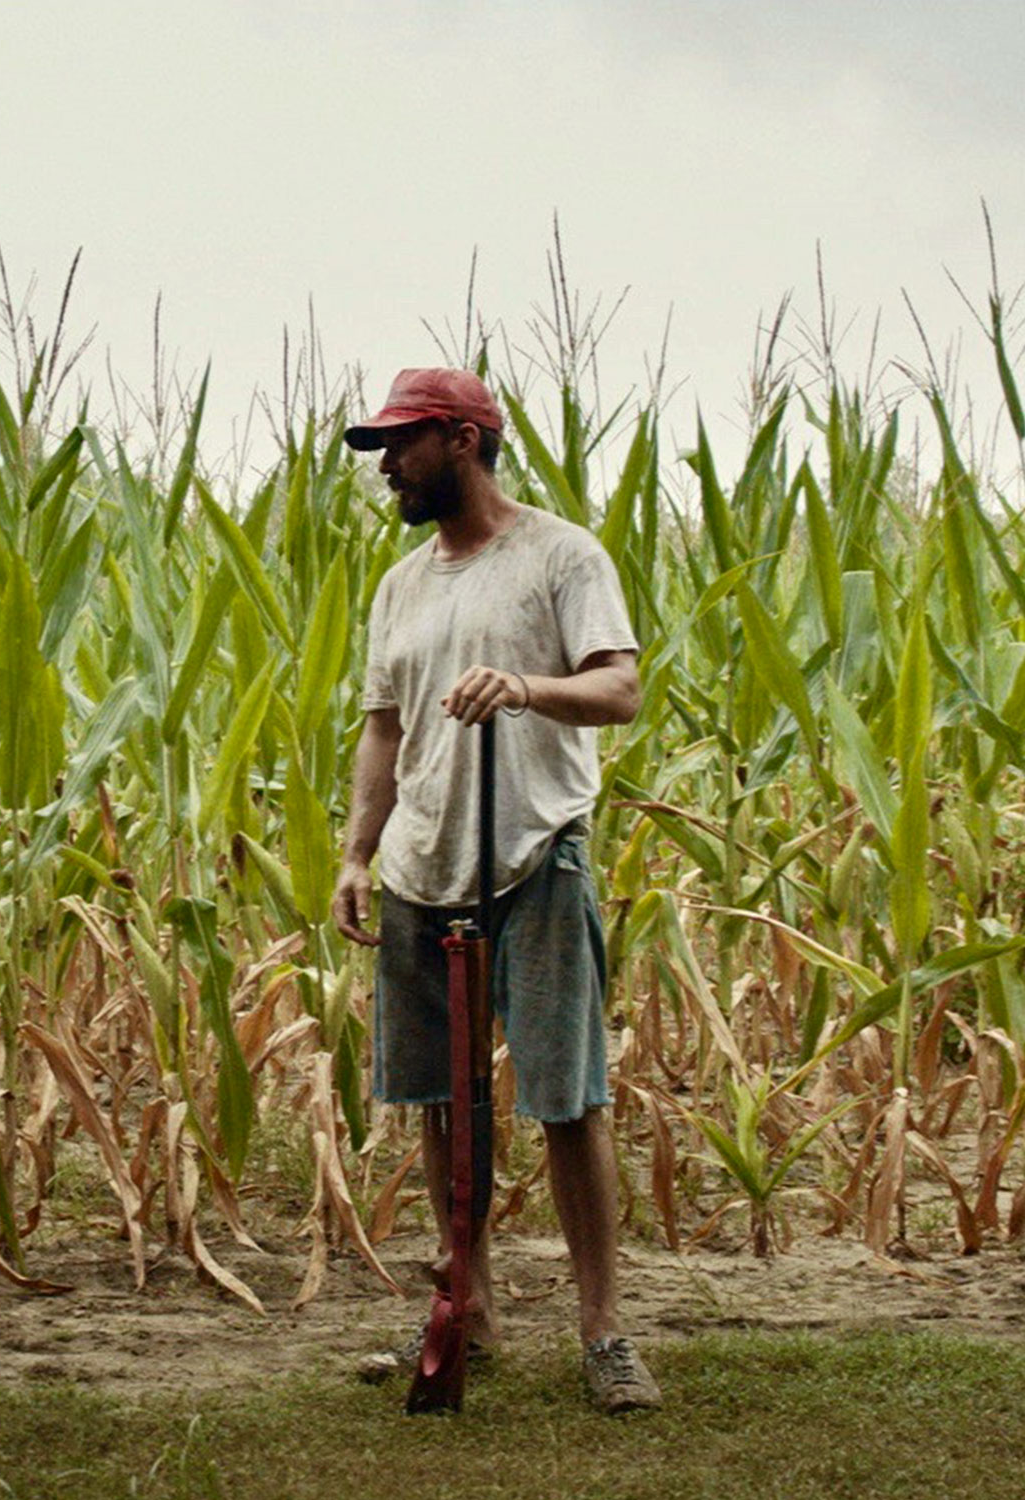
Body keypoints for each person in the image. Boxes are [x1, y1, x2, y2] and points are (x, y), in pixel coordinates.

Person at [331, 368, 661, 1414]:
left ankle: (603, 1332)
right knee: (440, 1096)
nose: (386, 467)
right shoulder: (400, 585)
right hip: (421, 864)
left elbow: (619, 687)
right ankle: (464, 1307)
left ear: (463, 441)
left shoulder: (561, 556)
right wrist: (357, 853)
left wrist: (525, 688)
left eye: (401, 445)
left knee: (566, 1097)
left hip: (531, 853)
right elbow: (383, 728)